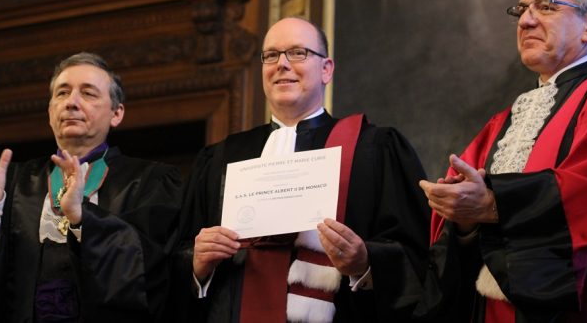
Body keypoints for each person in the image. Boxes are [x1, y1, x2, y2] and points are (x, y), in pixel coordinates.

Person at [173, 17, 430, 322]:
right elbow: (176, 261)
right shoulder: (222, 158)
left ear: (326, 69)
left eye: (298, 52)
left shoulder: (373, 148)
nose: (281, 64)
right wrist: (196, 264)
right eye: (271, 55)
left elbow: (418, 255)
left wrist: (365, 262)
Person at [415, 0, 587, 322]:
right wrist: (463, 217)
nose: (526, 21)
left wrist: (496, 204)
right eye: (521, 10)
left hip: (583, 304)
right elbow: (460, 231)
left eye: (545, 7)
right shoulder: (504, 122)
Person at [0, 52, 183, 322]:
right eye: (62, 93)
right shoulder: (10, 182)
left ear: (117, 113)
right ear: (49, 112)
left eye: (88, 94)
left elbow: (153, 277)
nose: (72, 103)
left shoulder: (150, 182)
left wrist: (82, 219)